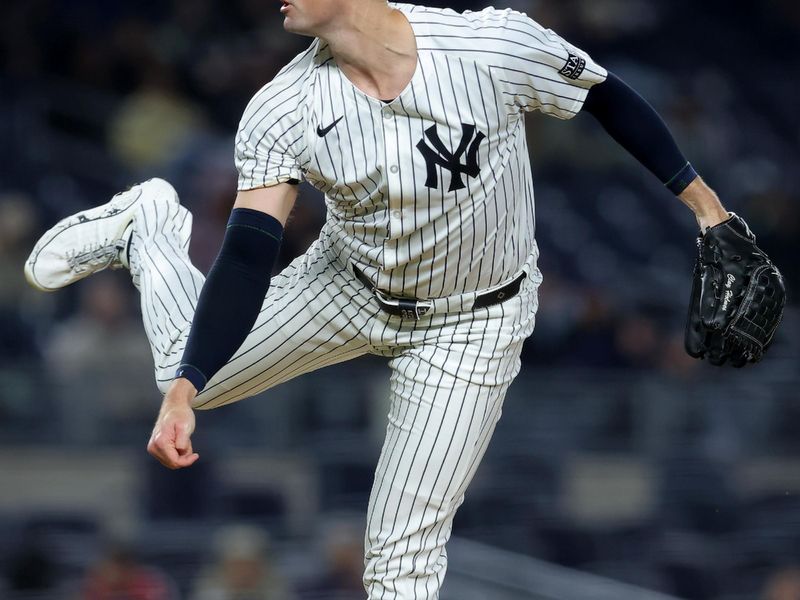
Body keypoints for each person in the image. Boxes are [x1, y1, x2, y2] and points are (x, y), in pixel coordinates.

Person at [25, 0, 734, 597]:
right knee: (185, 377)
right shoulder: (283, 105)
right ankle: (149, 221)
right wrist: (184, 392)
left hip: (472, 323)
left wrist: (709, 210)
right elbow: (246, 253)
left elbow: (606, 93)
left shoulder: (489, 45)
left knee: (401, 554)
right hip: (346, 286)